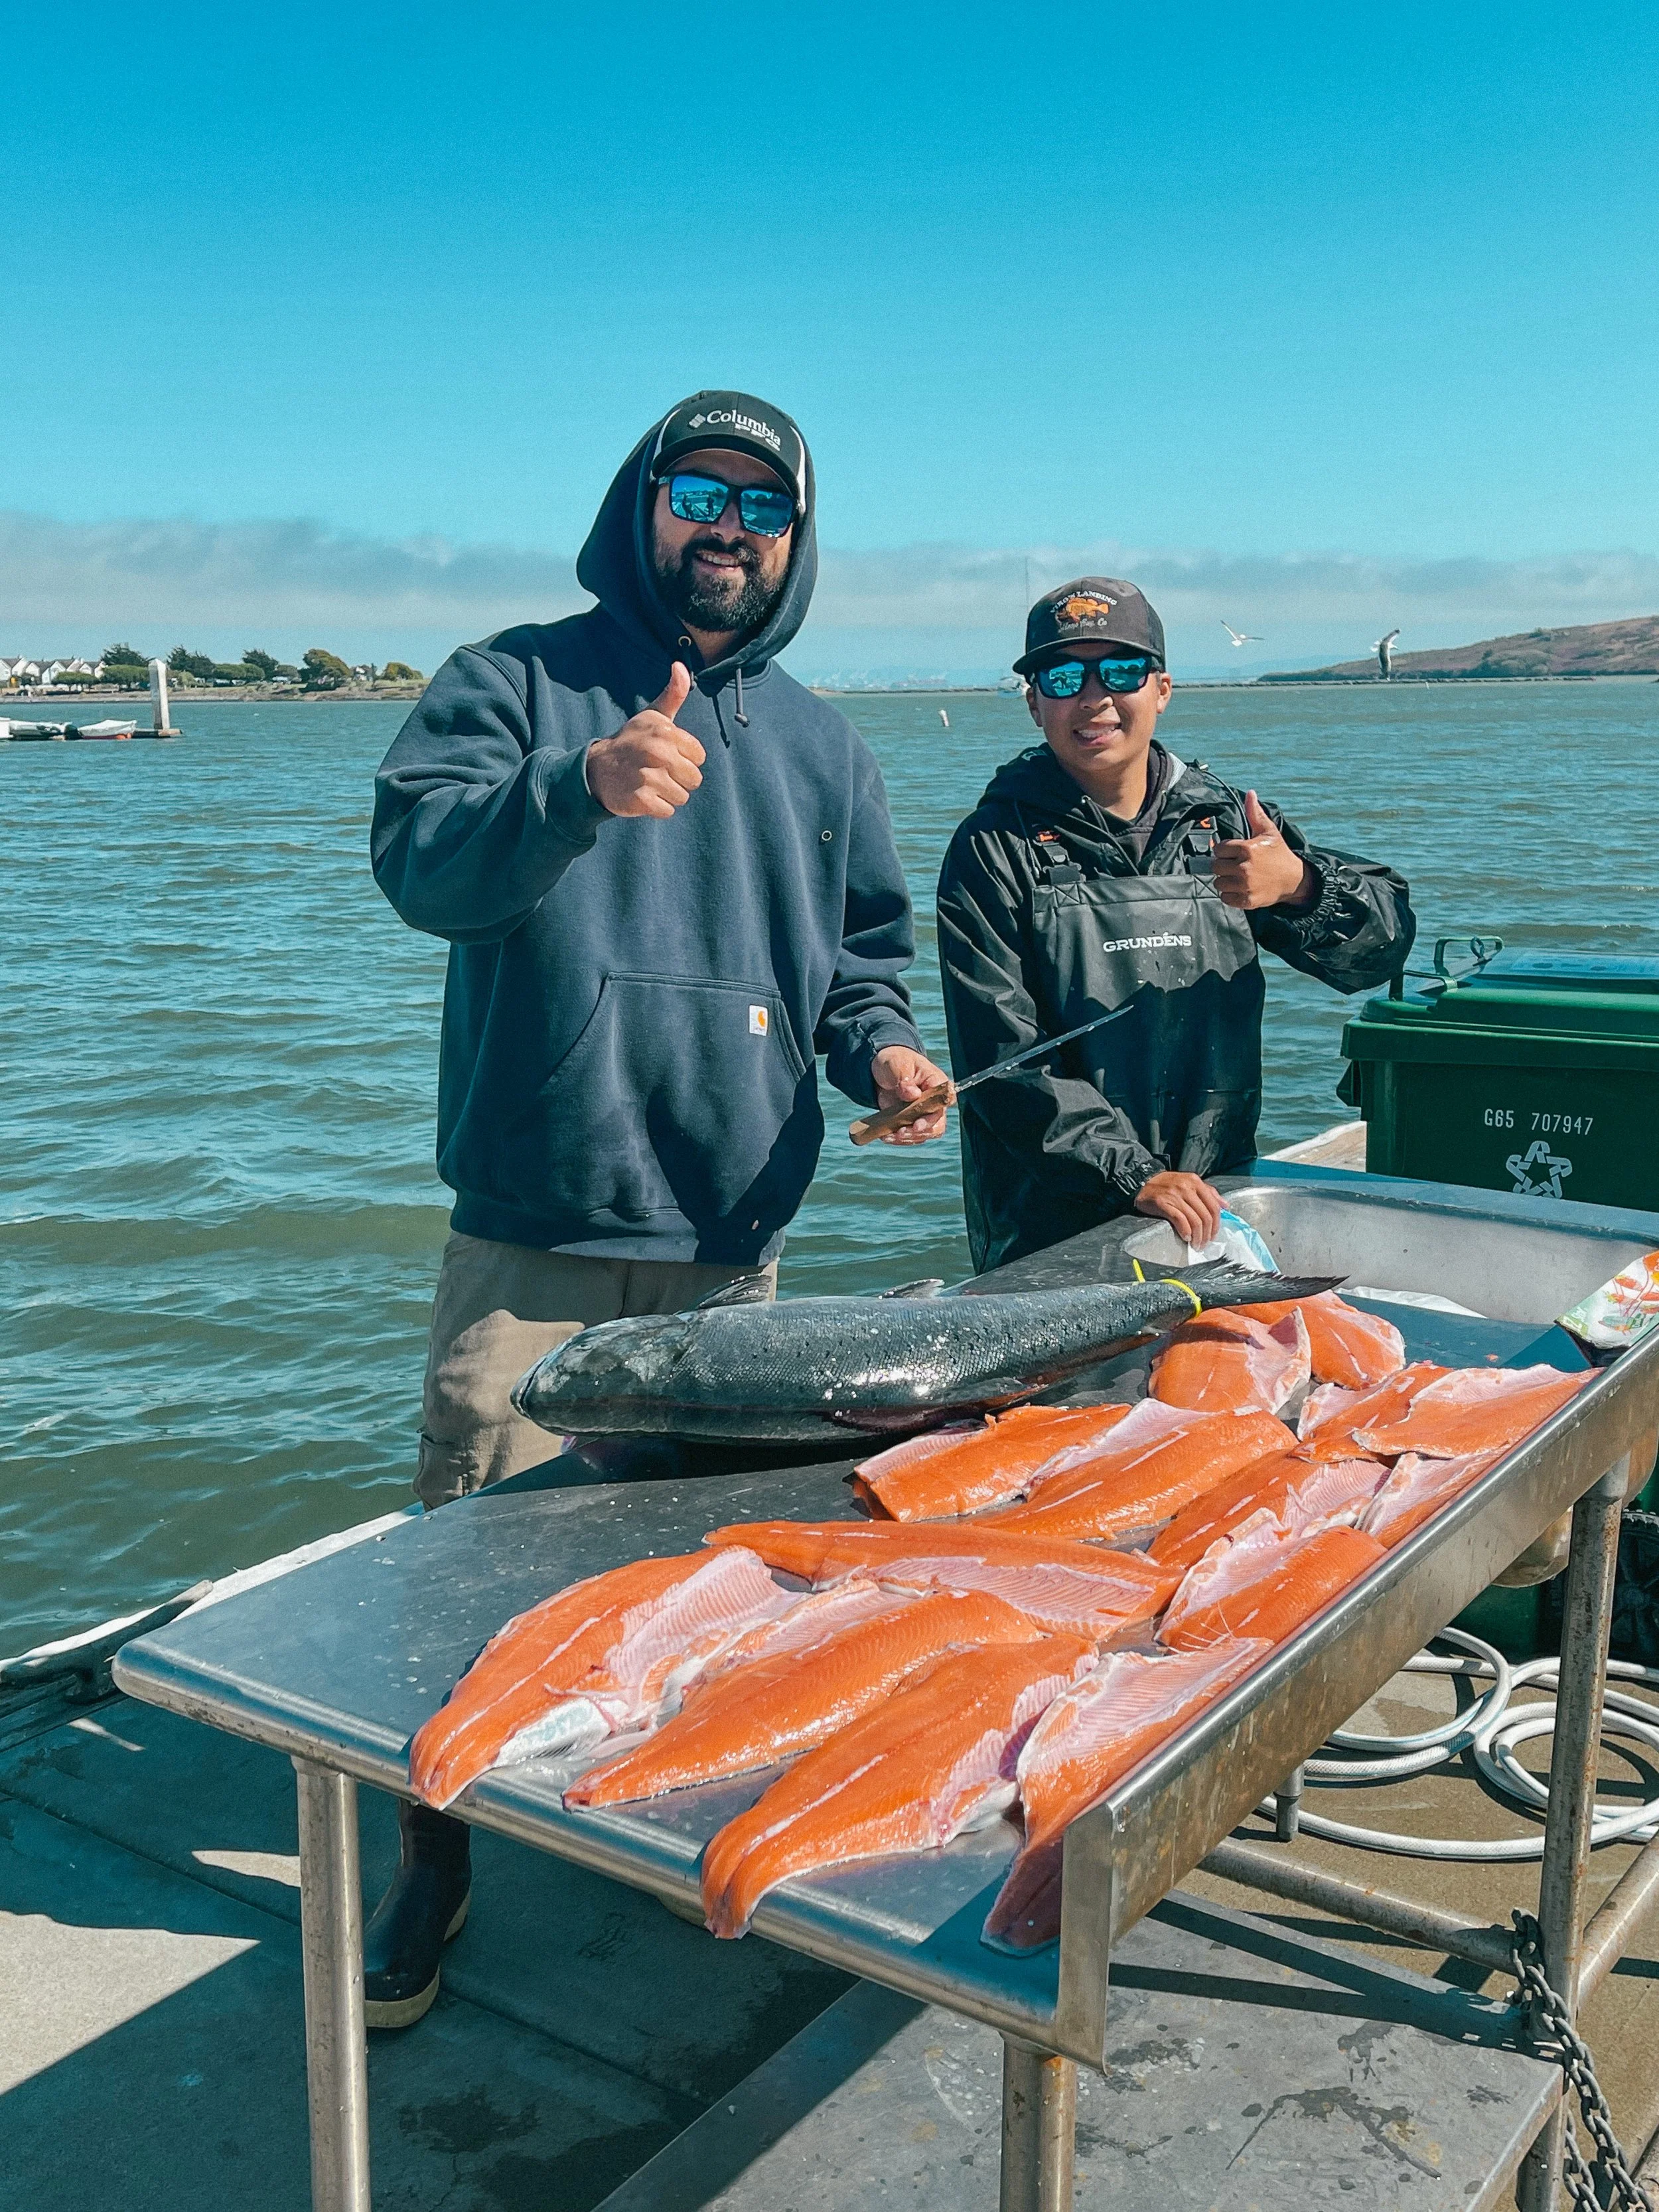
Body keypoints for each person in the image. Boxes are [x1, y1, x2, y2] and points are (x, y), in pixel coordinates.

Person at [366, 390, 948, 2025]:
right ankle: (438, 1855)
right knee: (472, 1567)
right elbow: (422, 871)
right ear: (644, 503)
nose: (729, 529)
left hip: (730, 1252)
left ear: (796, 543)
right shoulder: (514, 679)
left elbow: (858, 965)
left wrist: (887, 1059)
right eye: (702, 492)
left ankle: (654, 1830)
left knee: (699, 1578)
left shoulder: (829, 746)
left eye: (763, 509)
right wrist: (576, 788)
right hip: (537, 1232)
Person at [936, 576, 1414, 1273]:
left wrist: (1301, 889)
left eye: (1121, 671)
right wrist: (1132, 1175)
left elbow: (1379, 952)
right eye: (1063, 674)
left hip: (1214, 1203)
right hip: (1049, 1226)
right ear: (1034, 702)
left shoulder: (1226, 822)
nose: (1094, 697)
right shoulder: (991, 848)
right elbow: (1004, 1060)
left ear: (1161, 689)